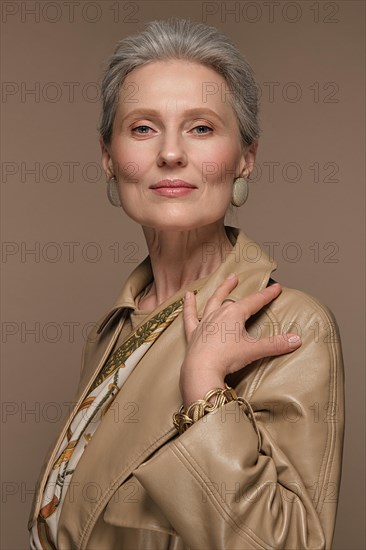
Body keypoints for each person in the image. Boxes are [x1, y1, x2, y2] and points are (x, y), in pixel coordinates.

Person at [28, 18, 344, 549]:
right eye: (143, 128)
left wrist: (205, 394)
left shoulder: (292, 326)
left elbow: (289, 544)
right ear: (109, 158)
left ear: (246, 157)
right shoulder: (114, 329)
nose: (170, 153)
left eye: (200, 128)